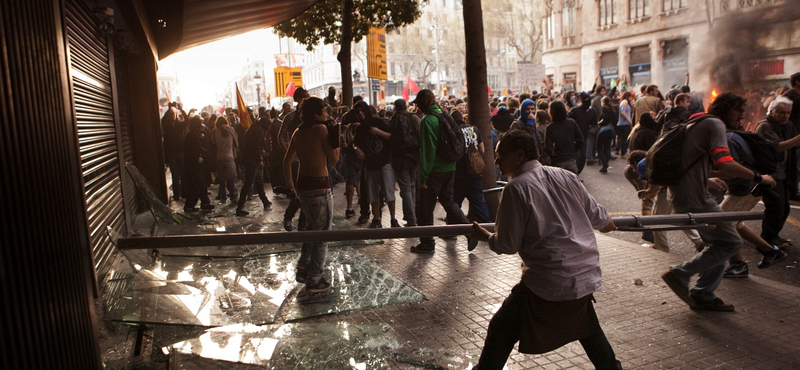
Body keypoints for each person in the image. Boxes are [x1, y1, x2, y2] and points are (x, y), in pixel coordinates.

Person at [470, 130, 622, 370]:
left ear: (519, 155)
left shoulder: (516, 188)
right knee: (588, 328)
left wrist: (485, 236)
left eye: (500, 155)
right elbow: (601, 219)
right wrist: (609, 223)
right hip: (584, 274)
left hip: (548, 281)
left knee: (501, 327)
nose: (496, 162)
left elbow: (507, 245)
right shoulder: (566, 176)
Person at [643, 92, 776, 312]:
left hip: (685, 194)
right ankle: (681, 273)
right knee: (731, 243)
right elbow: (726, 163)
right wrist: (759, 177)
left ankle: (704, 293)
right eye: (738, 110)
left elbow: (692, 162)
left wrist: (707, 178)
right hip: (696, 199)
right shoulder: (715, 125)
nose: (742, 116)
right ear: (725, 108)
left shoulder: (698, 121)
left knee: (718, 244)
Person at [283, 97, 340, 293]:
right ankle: (314, 278)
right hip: (320, 187)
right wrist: (336, 136)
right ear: (316, 113)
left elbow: (286, 161)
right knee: (322, 234)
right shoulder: (321, 130)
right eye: (324, 111)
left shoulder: (299, 131)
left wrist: (291, 187)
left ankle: (303, 268)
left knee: (310, 228)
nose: (327, 114)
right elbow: (334, 159)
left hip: (303, 186)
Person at [410, 89, 470, 254]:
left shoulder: (427, 121)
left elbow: (428, 152)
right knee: (449, 201)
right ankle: (470, 231)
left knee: (425, 209)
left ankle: (427, 244)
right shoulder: (446, 115)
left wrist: (423, 176)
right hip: (450, 167)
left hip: (434, 171)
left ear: (422, 104)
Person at [755, 96, 800, 248]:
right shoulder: (765, 126)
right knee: (776, 206)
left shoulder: (787, 126)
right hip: (770, 174)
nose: (785, 116)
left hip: (785, 172)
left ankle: (774, 235)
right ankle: (767, 239)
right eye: (782, 112)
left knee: (784, 207)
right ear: (772, 111)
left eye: (788, 113)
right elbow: (777, 146)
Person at [352, 100, 398, 228]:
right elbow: (355, 142)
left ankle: (393, 219)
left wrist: (378, 132)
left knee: (388, 191)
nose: (361, 114)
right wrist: (356, 148)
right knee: (372, 193)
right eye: (358, 112)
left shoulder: (378, 122)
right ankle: (376, 219)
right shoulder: (360, 128)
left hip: (384, 162)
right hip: (370, 164)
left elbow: (391, 136)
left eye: (362, 111)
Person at [452, 110, 491, 223]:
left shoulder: (455, 131)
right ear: (463, 119)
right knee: (478, 201)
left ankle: (451, 228)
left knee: (455, 201)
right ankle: (487, 224)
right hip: (475, 171)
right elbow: (482, 149)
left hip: (460, 172)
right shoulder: (474, 129)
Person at [279, 88, 310, 230]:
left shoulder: (312, 116)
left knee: (307, 193)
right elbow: (281, 136)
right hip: (297, 159)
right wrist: (289, 151)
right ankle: (290, 216)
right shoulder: (290, 117)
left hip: (311, 158)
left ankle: (303, 220)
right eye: (305, 99)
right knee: (299, 191)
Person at [389, 98, 421, 226]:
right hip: (413, 157)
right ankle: (412, 216)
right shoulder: (413, 118)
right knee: (412, 186)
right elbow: (420, 136)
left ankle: (411, 218)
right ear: (406, 106)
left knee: (405, 189)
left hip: (399, 159)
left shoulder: (393, 120)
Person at [235, 112, 272, 216]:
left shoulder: (253, 129)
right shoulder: (258, 131)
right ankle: (240, 207)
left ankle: (265, 201)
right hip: (251, 160)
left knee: (259, 181)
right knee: (248, 184)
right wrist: (259, 159)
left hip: (248, 159)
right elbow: (254, 147)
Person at [182, 116, 214, 212]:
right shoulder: (191, 135)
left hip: (195, 164)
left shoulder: (193, 134)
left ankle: (204, 203)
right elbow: (195, 149)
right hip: (192, 165)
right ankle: (189, 206)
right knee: (195, 186)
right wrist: (205, 153)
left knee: (201, 184)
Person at [544, 100, 583, 174]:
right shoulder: (571, 123)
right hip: (571, 160)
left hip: (557, 162)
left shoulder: (550, 128)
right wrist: (572, 150)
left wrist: (554, 157)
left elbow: (548, 148)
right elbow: (580, 141)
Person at [211, 116, 239, 203]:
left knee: (222, 179)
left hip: (219, 158)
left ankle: (223, 197)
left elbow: (212, 142)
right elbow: (237, 143)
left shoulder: (214, 131)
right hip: (229, 158)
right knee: (231, 178)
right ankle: (233, 195)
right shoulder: (231, 130)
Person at [596, 96, 615, 173]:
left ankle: (605, 163)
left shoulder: (605, 108)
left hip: (604, 130)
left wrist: (598, 122)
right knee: (606, 148)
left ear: (603, 102)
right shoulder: (612, 110)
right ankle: (605, 166)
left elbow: (605, 119)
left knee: (599, 148)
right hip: (611, 130)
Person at [616, 92, 633, 158]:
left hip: (624, 123)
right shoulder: (624, 102)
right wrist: (629, 120)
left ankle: (624, 152)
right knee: (625, 139)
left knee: (624, 138)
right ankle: (623, 153)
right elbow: (623, 112)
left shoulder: (624, 102)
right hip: (624, 124)